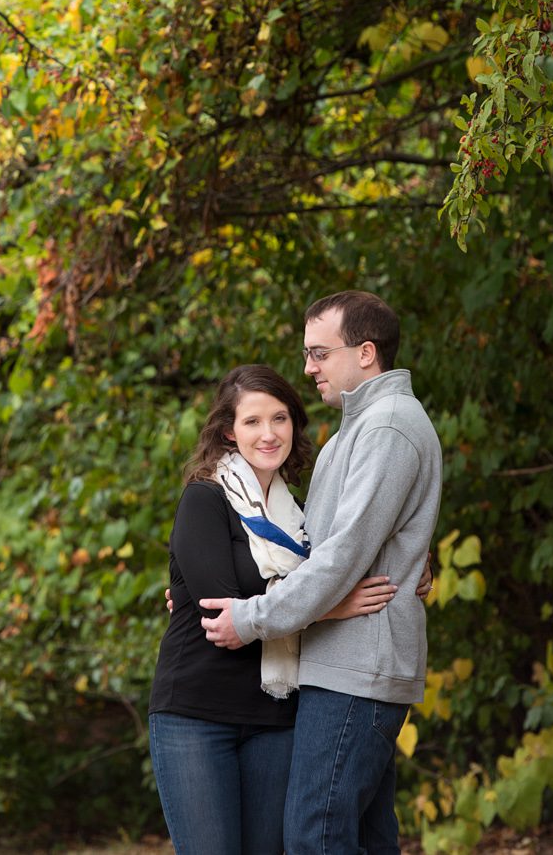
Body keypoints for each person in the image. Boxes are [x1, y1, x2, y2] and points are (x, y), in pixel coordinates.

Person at [200, 291, 443, 855]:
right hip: (343, 662)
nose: (307, 368)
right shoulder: (354, 432)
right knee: (365, 837)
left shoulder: (386, 428)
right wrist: (205, 587)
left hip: (358, 667)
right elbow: (321, 546)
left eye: (318, 353)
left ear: (364, 353)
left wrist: (253, 618)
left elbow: (341, 557)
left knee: (315, 836)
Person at [149, 363, 403, 855]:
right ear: (228, 431)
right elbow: (223, 612)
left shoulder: (301, 518)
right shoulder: (205, 500)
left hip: (275, 716)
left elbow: (355, 551)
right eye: (252, 422)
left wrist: (420, 565)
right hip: (197, 715)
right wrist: (331, 607)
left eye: (280, 418)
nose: (269, 434)